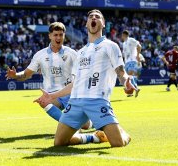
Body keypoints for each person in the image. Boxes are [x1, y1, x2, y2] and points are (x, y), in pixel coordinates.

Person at [35, 9, 133, 147]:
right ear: (87, 24)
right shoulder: (80, 53)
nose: (94, 18)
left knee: (118, 143)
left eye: (97, 17)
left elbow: (121, 71)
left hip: (97, 100)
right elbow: (75, 84)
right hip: (75, 102)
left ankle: (123, 133)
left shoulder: (110, 46)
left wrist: (126, 83)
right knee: (60, 142)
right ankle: (95, 137)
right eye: (91, 17)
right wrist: (52, 96)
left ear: (103, 23)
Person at [6, 22, 91, 129]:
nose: (58, 37)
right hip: (52, 95)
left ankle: (85, 124)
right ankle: (69, 125)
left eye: (61, 35)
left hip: (71, 94)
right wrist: (16, 75)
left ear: (64, 35)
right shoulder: (40, 55)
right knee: (44, 102)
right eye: (55, 35)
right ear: (50, 36)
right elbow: (26, 74)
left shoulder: (72, 53)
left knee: (86, 126)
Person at [121, 30, 141, 97]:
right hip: (126, 62)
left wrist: (138, 55)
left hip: (132, 60)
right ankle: (133, 91)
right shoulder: (123, 43)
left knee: (129, 75)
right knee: (128, 78)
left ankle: (135, 89)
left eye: (122, 35)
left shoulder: (131, 40)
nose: (121, 36)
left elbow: (139, 46)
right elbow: (124, 54)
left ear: (124, 35)